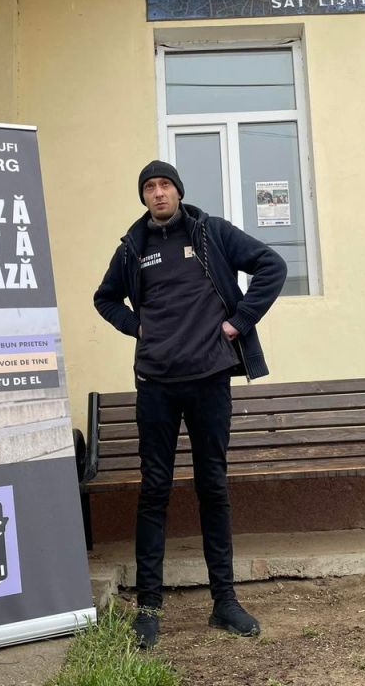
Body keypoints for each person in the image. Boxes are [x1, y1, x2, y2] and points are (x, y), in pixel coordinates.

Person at [94, 160, 287, 648]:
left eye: (165, 185)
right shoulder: (133, 247)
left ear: (178, 191)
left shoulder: (211, 233)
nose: (158, 193)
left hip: (209, 379)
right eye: (149, 187)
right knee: (154, 491)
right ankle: (149, 609)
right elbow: (106, 299)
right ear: (143, 197)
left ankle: (225, 602)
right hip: (156, 384)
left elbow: (272, 266)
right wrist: (139, 327)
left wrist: (239, 322)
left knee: (212, 487)